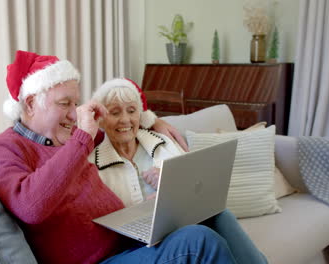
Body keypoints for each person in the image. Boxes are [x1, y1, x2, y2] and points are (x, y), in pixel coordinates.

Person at [0, 50, 236, 264]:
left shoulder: (66, 138)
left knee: (210, 212)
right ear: (32, 103)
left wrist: (154, 121)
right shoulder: (2, 149)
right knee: (199, 241)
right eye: (64, 103)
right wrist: (82, 138)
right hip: (98, 261)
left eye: (75, 103)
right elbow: (31, 207)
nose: (74, 114)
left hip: (128, 241)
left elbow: (122, 127)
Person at [88, 78, 268, 264]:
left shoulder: (163, 142)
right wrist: (149, 208)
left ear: (141, 115)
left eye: (132, 111)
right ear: (101, 120)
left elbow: (197, 191)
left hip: (176, 226)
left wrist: (169, 186)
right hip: (135, 244)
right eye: (115, 112)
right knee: (199, 236)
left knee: (220, 214)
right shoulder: (92, 164)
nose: (125, 119)